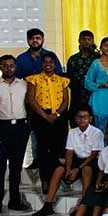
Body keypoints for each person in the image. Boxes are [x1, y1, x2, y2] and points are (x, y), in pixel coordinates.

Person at [31, 105, 104, 216]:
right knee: (59, 169)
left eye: (85, 117)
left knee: (86, 170)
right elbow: (69, 152)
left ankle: (84, 206)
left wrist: (78, 169)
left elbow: (93, 155)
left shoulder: (97, 133)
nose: (82, 119)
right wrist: (69, 168)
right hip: (77, 160)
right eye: (79, 117)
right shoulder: (72, 132)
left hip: (91, 161)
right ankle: (48, 205)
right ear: (75, 119)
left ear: (90, 119)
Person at [0, 54, 31, 213]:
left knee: (16, 167)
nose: (9, 68)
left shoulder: (24, 84)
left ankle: (14, 200)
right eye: (5, 65)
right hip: (1, 128)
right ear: (0, 67)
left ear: (16, 66)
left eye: (12, 65)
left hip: (20, 128)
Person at [25, 52, 70, 191]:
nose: (48, 64)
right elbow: (31, 100)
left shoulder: (62, 80)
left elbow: (65, 100)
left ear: (55, 64)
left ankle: (55, 178)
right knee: (43, 149)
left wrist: (56, 114)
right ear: (41, 64)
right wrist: (45, 116)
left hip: (58, 116)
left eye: (51, 62)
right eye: (45, 62)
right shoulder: (34, 79)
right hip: (41, 116)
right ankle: (45, 179)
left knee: (56, 148)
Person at [84, 37, 108, 131]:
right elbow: (87, 83)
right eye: (106, 45)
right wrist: (101, 85)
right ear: (101, 47)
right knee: (99, 132)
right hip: (99, 99)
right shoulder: (95, 64)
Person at [66, 30, 100, 124]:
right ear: (79, 41)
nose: (86, 41)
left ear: (93, 41)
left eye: (89, 39)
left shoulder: (98, 58)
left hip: (94, 97)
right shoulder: (73, 59)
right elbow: (69, 79)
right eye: (83, 39)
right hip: (77, 97)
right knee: (76, 124)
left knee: (94, 125)